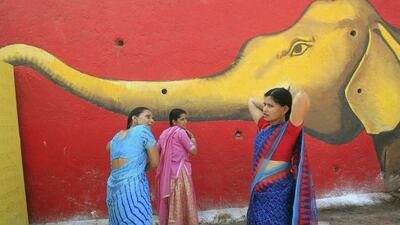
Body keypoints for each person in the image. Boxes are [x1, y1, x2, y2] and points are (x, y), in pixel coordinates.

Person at [246, 88, 318, 225]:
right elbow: (251, 102)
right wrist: (272, 106)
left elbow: (301, 97)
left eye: (270, 106)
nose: (265, 109)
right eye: (265, 105)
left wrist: (285, 107)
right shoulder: (264, 125)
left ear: (285, 109)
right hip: (258, 193)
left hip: (278, 192)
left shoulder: (289, 130)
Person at [106, 107, 159, 225]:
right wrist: (140, 168)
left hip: (113, 186)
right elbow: (155, 162)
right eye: (148, 116)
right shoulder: (143, 130)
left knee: (118, 220)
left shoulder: (117, 135)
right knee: (137, 218)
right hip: (133, 185)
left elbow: (108, 147)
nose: (152, 120)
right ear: (134, 119)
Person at [156, 108, 199, 225]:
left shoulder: (164, 133)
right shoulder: (181, 132)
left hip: (167, 173)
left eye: (186, 119)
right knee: (181, 198)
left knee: (172, 199)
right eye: (182, 119)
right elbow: (194, 151)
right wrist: (193, 139)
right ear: (174, 121)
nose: (185, 122)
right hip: (180, 172)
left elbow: (156, 150)